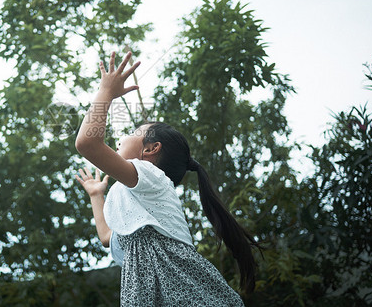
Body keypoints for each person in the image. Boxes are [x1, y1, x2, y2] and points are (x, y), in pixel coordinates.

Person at [74, 52, 259, 306]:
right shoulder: (134, 201)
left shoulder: (152, 177)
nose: (121, 139)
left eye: (134, 132)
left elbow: (88, 143)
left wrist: (106, 90)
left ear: (151, 149)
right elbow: (108, 237)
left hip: (179, 285)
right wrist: (97, 195)